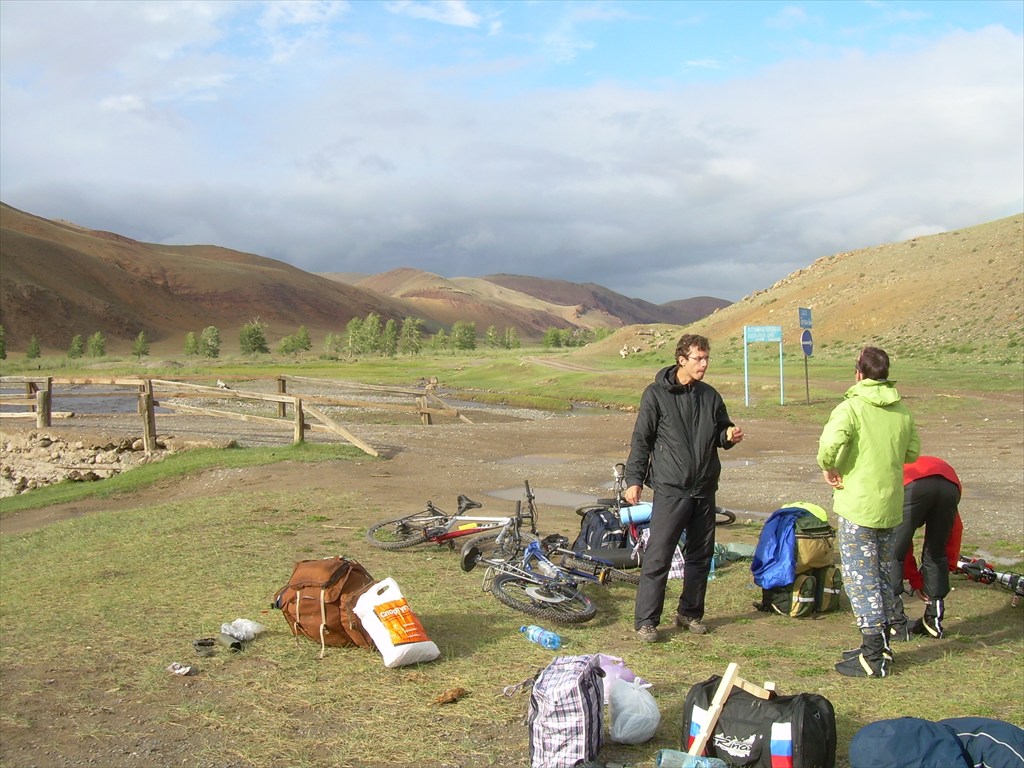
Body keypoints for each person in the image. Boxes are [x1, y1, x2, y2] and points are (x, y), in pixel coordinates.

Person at [623, 333, 743, 642]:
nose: (704, 364)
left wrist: (728, 436)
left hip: (704, 488)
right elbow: (642, 440)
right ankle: (646, 621)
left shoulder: (710, 396)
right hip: (671, 488)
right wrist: (633, 480)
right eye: (698, 359)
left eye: (706, 358)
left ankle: (690, 614)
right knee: (658, 556)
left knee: (700, 556)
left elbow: (719, 432)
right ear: (682, 360)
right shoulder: (656, 395)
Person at [817, 346, 920, 677]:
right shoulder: (901, 411)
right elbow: (913, 451)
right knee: (882, 573)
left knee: (861, 579)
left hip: (858, 505)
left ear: (858, 373)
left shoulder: (851, 407)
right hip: (889, 505)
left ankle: (873, 655)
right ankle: (882, 643)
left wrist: (828, 467)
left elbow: (829, 444)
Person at [889, 456, 962, 640]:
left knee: (892, 553)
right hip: (950, 483)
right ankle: (934, 621)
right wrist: (949, 566)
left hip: (911, 483)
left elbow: (900, 549)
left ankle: (896, 623)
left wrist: (915, 580)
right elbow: (954, 532)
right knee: (936, 553)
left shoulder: (893, 474)